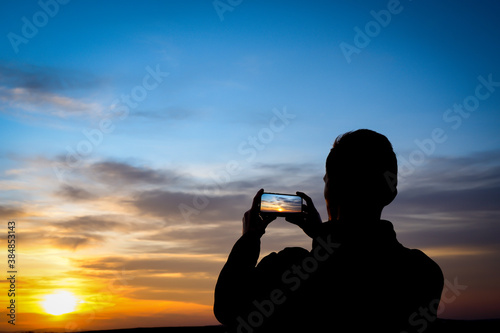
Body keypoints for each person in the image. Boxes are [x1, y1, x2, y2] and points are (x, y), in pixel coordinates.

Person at [214, 129, 444, 333]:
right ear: (391, 193)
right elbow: (357, 265)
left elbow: (228, 307)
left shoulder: (290, 269)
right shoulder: (424, 273)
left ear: (330, 189)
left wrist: (250, 238)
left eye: (326, 180)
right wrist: (322, 234)